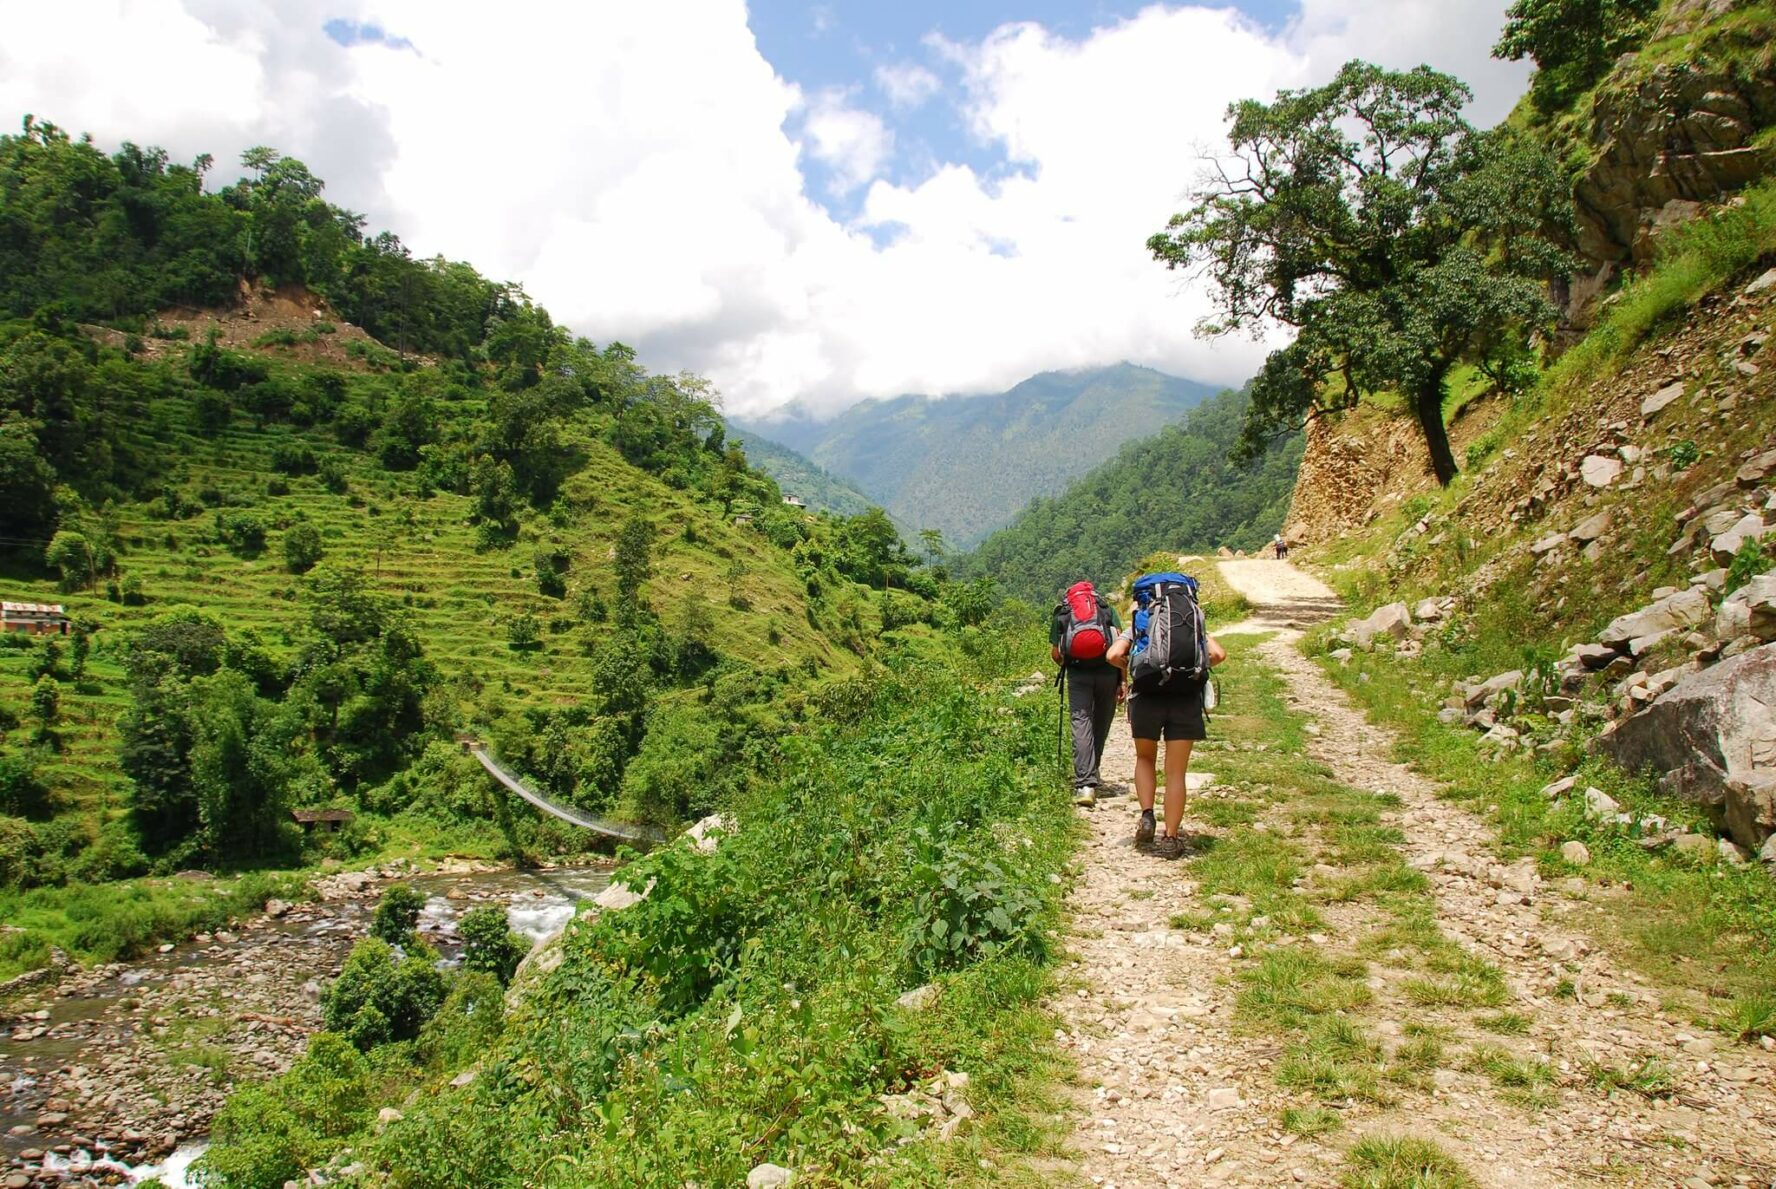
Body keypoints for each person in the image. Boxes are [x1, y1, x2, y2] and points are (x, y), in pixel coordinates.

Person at [1107, 611, 1226, 859]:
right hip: (1185, 700)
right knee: (1176, 771)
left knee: (1145, 758)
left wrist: (1136, 667)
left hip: (1146, 698)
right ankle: (1170, 838)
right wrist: (1190, 669)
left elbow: (1113, 655)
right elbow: (1218, 655)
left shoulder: (1139, 626)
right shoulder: (1190, 624)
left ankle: (1147, 815)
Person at [1050, 583, 1123, 807]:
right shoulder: (1107, 610)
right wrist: (1124, 681)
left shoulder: (1062, 614)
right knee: (1101, 721)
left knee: (1081, 722)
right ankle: (1094, 768)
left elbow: (1055, 654)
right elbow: (1120, 644)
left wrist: (1070, 662)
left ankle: (1085, 784)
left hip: (1078, 674)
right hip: (1108, 672)